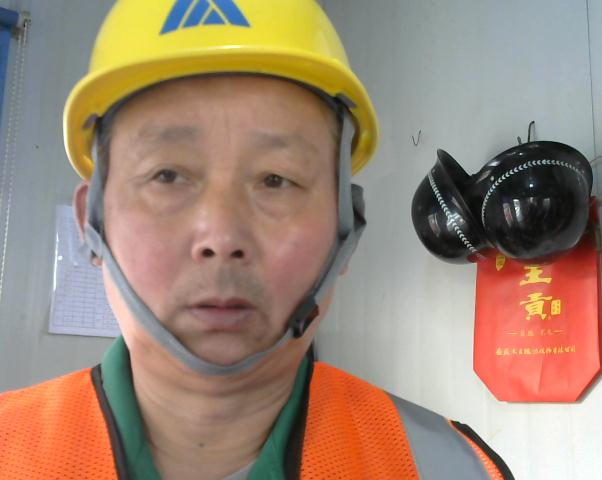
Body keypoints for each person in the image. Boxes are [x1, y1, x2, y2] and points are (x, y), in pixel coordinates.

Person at [0, 1, 513, 478]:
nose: (222, 237)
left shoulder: (445, 467)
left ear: (348, 224)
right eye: (167, 176)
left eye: (276, 179)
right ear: (90, 220)